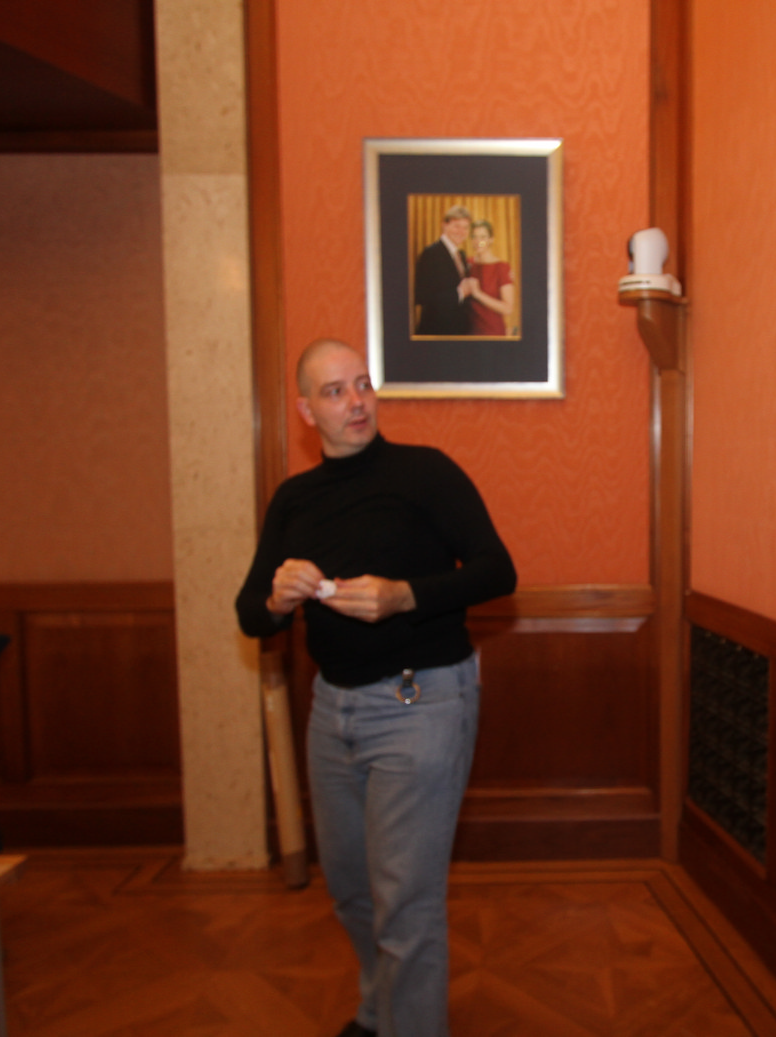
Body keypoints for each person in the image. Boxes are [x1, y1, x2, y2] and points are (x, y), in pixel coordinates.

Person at [235, 338, 516, 1037]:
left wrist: (404, 596)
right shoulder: (294, 500)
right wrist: (277, 597)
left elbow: (497, 571)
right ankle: (378, 1010)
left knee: (405, 903)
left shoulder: (425, 473)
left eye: (362, 384)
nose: (356, 401)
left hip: (421, 703)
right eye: (335, 391)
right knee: (353, 891)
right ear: (306, 410)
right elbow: (250, 615)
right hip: (331, 711)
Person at [413, 205, 475, 336]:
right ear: (444, 225)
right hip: (437, 332)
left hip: (459, 332)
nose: (461, 231)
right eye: (456, 226)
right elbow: (421, 296)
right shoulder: (431, 254)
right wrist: (459, 293)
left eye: (465, 227)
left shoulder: (461, 255)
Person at [466, 219, 515, 337]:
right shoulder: (467, 263)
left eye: (483, 237)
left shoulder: (501, 267)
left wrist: (478, 294)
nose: (478, 241)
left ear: (491, 240)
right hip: (469, 333)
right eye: (474, 237)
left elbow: (508, 308)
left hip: (492, 333)